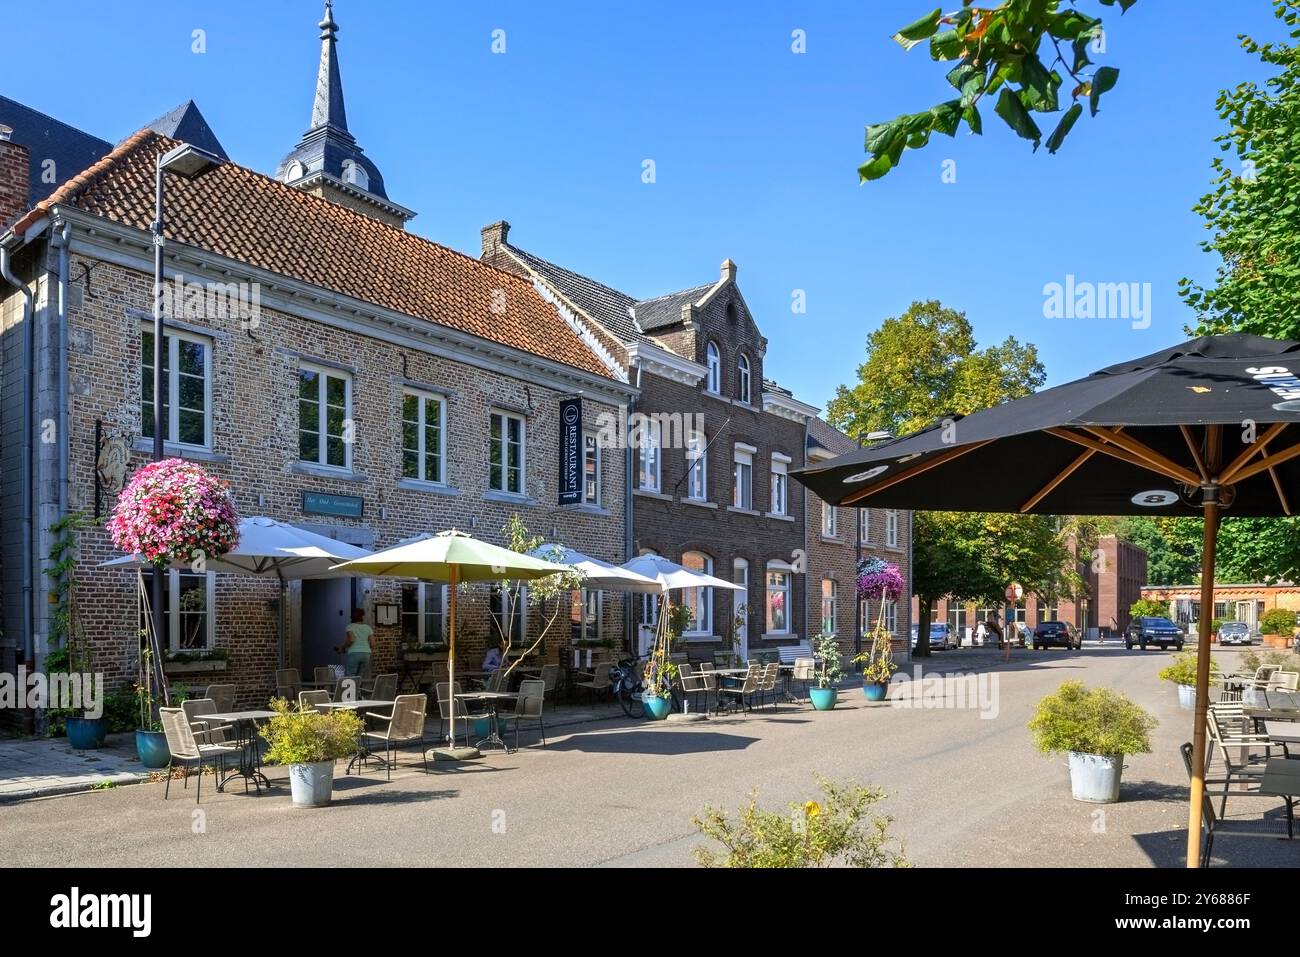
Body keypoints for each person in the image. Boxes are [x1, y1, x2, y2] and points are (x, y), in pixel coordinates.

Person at [335, 608, 373, 677]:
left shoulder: (350, 627)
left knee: (350, 676)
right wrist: (364, 647)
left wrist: (342, 647)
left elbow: (352, 639)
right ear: (362, 617)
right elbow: (373, 643)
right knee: (359, 676)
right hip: (366, 654)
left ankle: (352, 688)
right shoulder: (368, 628)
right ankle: (357, 687)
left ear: (352, 617)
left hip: (354, 653)